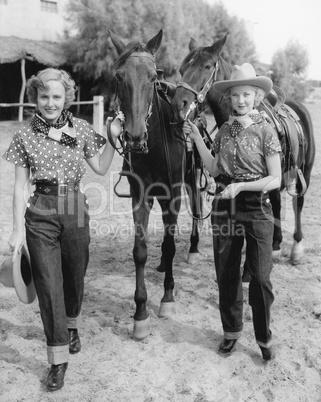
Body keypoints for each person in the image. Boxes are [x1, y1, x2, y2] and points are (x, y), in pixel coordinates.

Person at [3, 68, 124, 391]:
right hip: (40, 210)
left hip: (74, 207)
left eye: (57, 96)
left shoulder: (81, 129)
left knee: (74, 275)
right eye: (44, 97)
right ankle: (57, 360)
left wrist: (113, 140)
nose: (50, 103)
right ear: (35, 98)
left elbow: (99, 167)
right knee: (48, 286)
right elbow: (18, 188)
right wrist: (16, 230)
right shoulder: (25, 135)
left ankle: (71, 324)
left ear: (66, 97)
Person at [182, 63, 282, 361]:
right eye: (236, 95)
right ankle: (231, 331)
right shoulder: (225, 130)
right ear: (230, 98)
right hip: (224, 207)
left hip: (256, 209)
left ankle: (263, 337)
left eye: (247, 94)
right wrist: (197, 137)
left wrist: (241, 188)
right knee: (226, 273)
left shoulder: (267, 130)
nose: (241, 100)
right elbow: (213, 168)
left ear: (257, 97)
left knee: (261, 277)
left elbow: (275, 179)